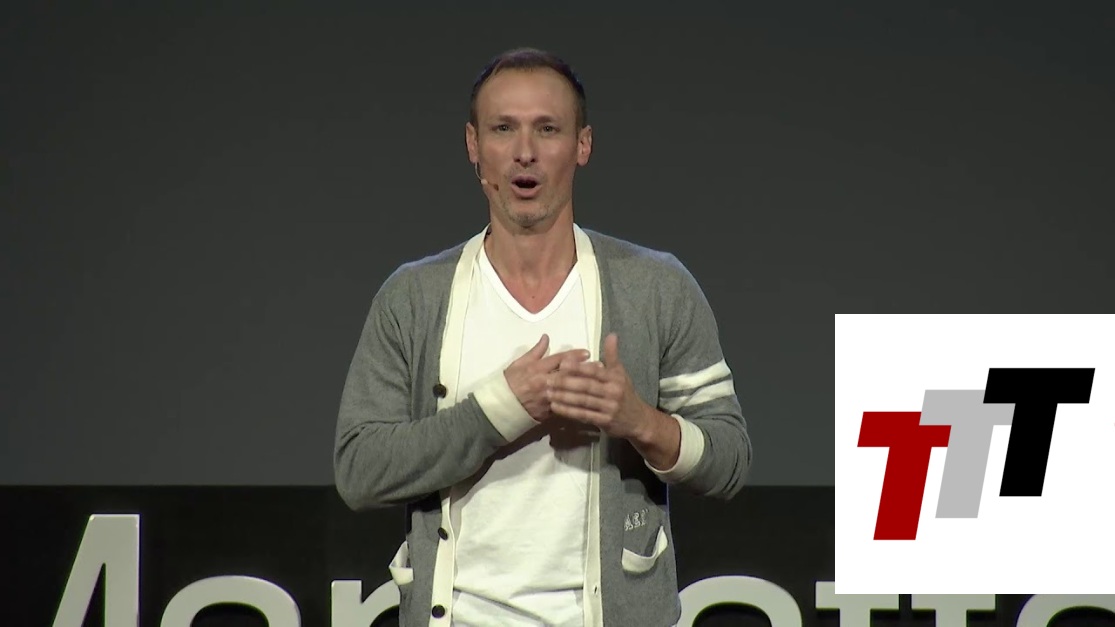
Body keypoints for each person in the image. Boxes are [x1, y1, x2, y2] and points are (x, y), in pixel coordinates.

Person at [334, 47, 752, 627]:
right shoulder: (413, 297)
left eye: (547, 129)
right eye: (503, 128)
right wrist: (501, 410)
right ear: (473, 145)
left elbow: (729, 459)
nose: (524, 152)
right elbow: (360, 470)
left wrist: (640, 422)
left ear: (583, 145)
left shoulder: (656, 287)